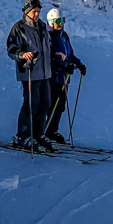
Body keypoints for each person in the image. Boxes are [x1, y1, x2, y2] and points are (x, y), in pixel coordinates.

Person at [6, 0, 55, 152]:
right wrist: (22, 54)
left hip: (44, 73)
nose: (37, 15)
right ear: (27, 12)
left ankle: (38, 134)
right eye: (34, 12)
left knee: (45, 104)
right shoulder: (19, 28)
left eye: (39, 12)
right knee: (31, 105)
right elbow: (11, 49)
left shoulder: (42, 26)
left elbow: (48, 47)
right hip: (29, 73)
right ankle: (23, 136)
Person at [45, 8, 87, 144]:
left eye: (62, 20)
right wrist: (62, 65)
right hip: (53, 77)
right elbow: (49, 57)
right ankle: (44, 131)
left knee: (61, 105)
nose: (61, 24)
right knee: (52, 104)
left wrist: (79, 64)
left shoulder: (64, 35)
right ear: (51, 22)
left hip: (64, 77)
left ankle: (52, 131)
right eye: (58, 21)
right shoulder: (48, 36)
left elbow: (70, 54)